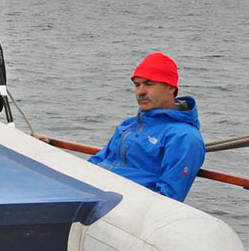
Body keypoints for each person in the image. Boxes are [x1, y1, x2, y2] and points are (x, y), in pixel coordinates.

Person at [88, 52, 206, 201]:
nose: (141, 91)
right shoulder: (129, 125)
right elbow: (94, 163)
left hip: (123, 206)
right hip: (94, 193)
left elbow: (168, 198)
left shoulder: (184, 138)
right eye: (137, 85)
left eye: (149, 84)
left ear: (171, 88)